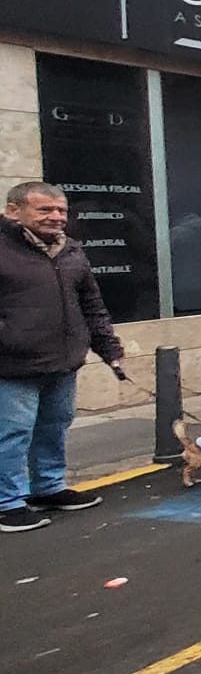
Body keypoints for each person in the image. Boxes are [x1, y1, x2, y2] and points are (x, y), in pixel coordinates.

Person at [0, 181, 123, 530]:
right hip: (12, 365)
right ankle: (7, 502)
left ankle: (48, 488)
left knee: (54, 426)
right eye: (45, 210)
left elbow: (91, 305)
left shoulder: (71, 251)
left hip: (63, 361)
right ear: (13, 211)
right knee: (12, 434)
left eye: (61, 211)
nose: (56, 217)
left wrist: (109, 350)